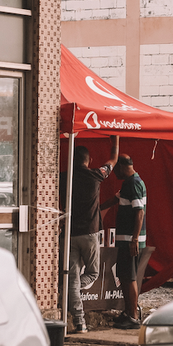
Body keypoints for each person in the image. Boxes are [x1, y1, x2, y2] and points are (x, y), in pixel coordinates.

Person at [68, 135, 119, 333]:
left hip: (70, 234)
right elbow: (113, 160)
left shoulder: (65, 177)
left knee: (72, 277)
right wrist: (115, 138)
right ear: (88, 161)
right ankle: (72, 292)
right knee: (93, 272)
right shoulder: (95, 175)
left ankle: (79, 322)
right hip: (90, 233)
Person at [102, 154, 147, 330]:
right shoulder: (128, 183)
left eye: (115, 170)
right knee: (123, 276)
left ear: (121, 166)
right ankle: (128, 312)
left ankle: (133, 317)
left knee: (129, 278)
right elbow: (115, 199)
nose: (114, 174)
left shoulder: (134, 183)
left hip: (130, 240)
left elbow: (139, 212)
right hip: (125, 240)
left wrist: (134, 238)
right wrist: (98, 208)